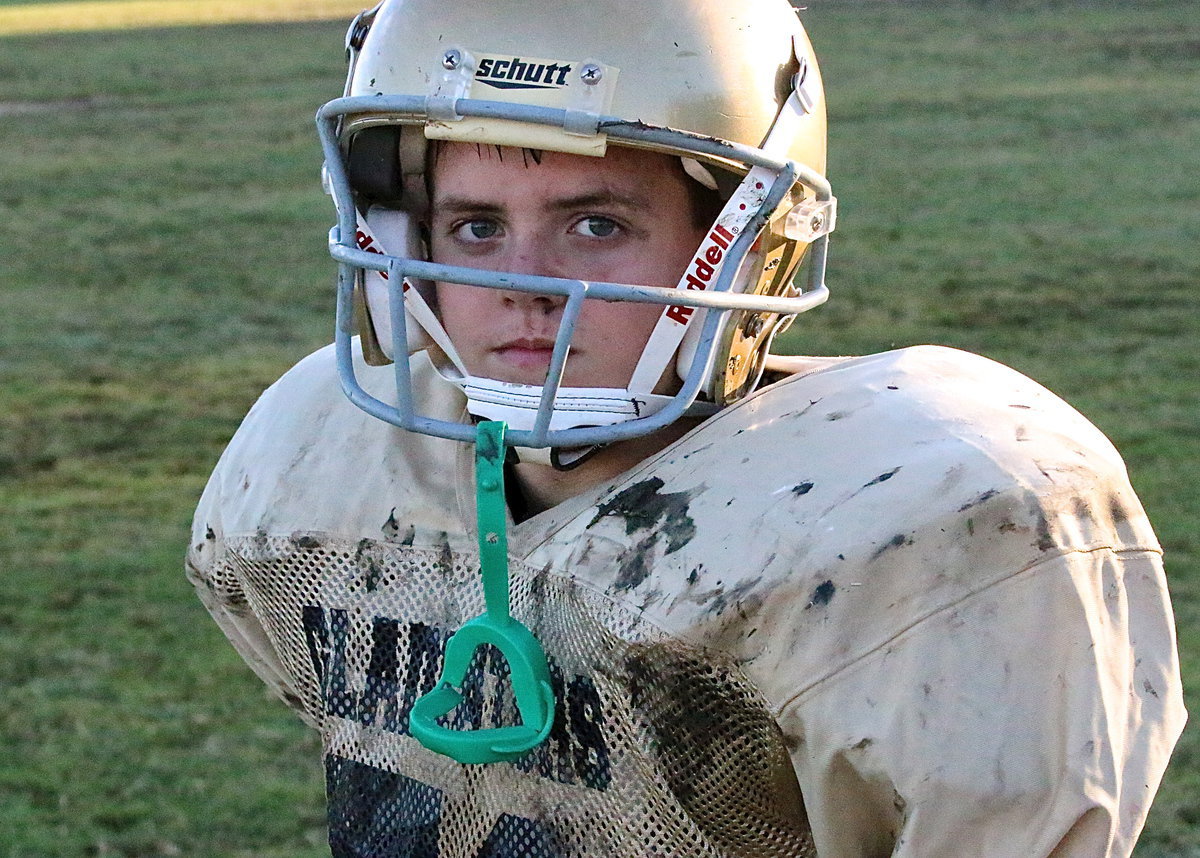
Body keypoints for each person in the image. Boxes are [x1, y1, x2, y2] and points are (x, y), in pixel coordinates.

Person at [186, 0, 1186, 855]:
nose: (521, 284)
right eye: (476, 225)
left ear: (741, 246)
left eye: (597, 224)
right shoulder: (324, 464)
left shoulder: (927, 513)